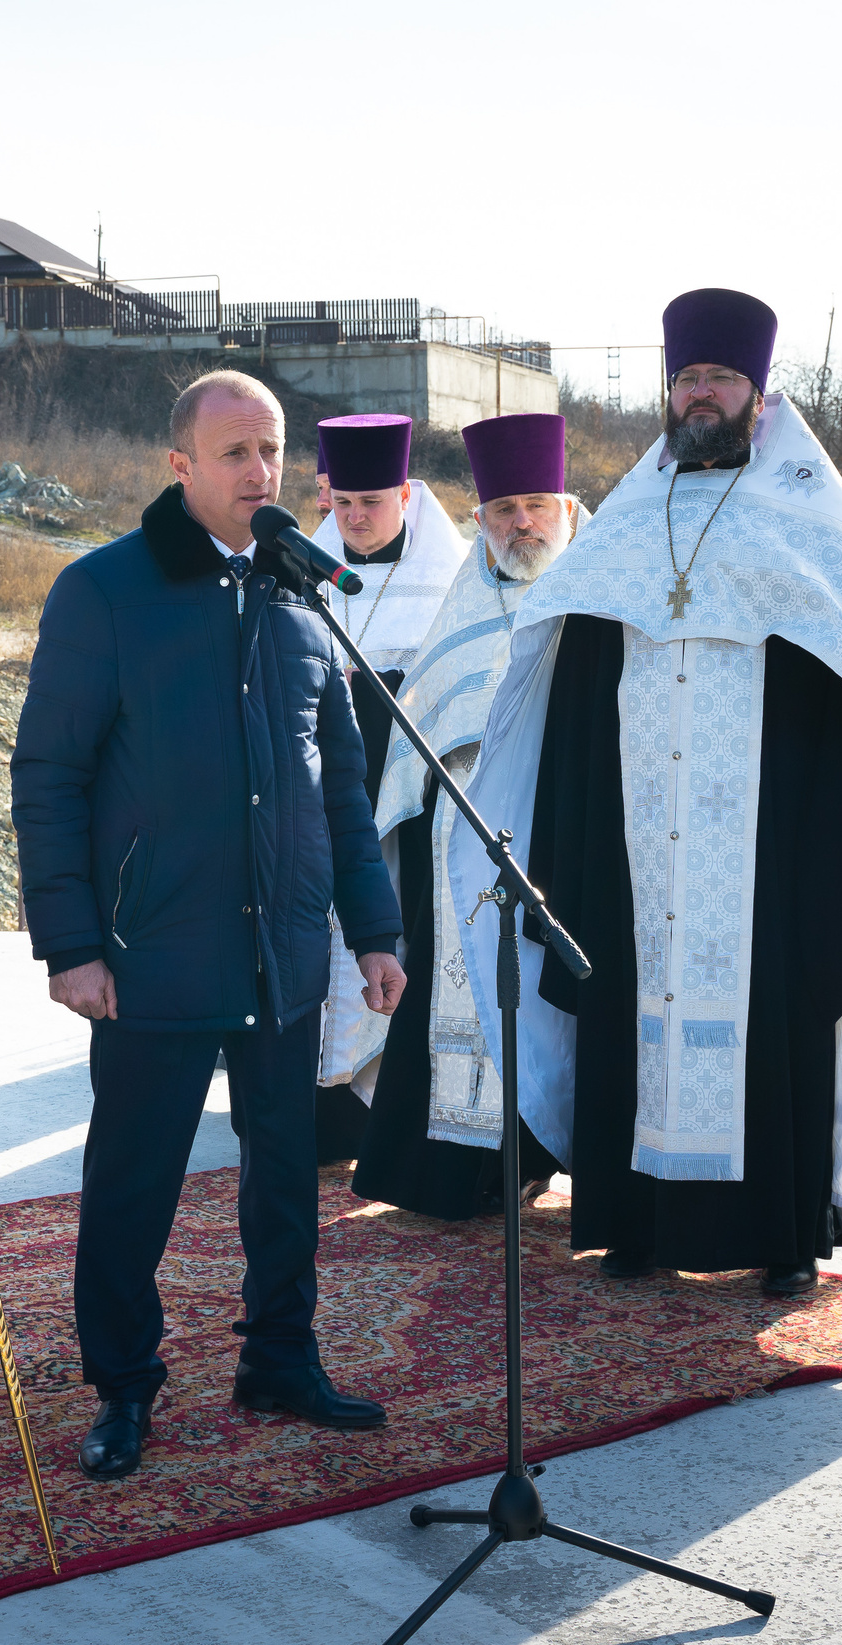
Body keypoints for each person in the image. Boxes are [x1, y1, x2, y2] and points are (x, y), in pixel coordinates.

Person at [452, 289, 842, 1298]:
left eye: (720, 378)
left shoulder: (813, 528)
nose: (700, 394)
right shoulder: (625, 528)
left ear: (758, 392)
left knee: (773, 1024)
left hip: (769, 847)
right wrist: (572, 833)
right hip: (633, 840)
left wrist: (825, 843)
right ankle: (630, 1222)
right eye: (687, 378)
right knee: (626, 1004)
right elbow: (573, 682)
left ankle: (785, 1237)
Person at [12, 369, 405, 1483]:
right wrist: (71, 945)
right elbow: (48, 776)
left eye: (272, 450)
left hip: (282, 951)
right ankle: (123, 1386)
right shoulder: (103, 591)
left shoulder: (302, 594)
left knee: (285, 1174)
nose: (260, 471)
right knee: (133, 1181)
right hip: (153, 950)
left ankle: (280, 1357)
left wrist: (373, 930)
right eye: (235, 452)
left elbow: (340, 789)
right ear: (180, 465)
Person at [352, 413, 577, 1218]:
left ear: (567, 510)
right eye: (504, 509)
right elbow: (424, 726)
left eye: (536, 506)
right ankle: (463, 1172)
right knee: (466, 991)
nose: (522, 524)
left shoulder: (596, 597)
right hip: (471, 832)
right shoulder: (463, 610)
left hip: (569, 824)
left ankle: (547, 1156)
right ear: (480, 520)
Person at [299, 414, 470, 1164]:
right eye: (342, 503)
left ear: (405, 493)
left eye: (372, 501)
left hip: (410, 808)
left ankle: (384, 1115)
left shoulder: (451, 579)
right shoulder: (300, 571)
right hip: (319, 802)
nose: (356, 518)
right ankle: (317, 1114)